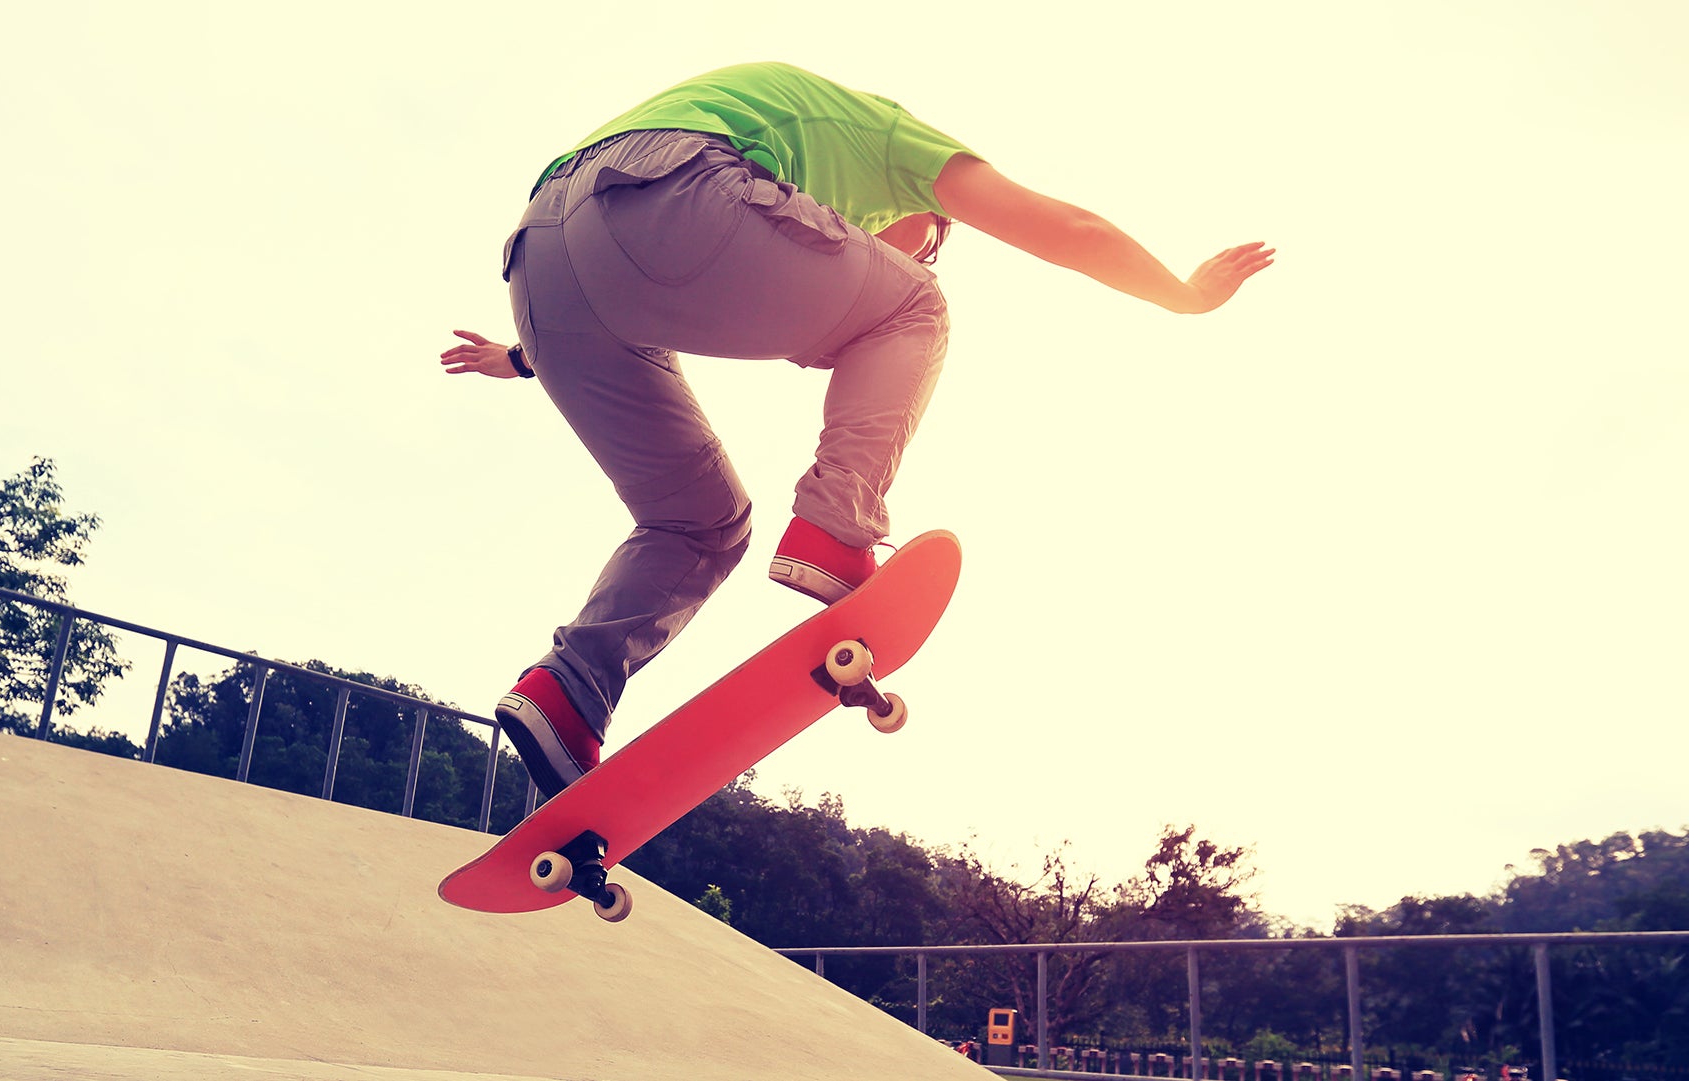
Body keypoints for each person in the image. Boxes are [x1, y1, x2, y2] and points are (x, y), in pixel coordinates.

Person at [441, 62, 1273, 799]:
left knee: (700, 520)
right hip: (675, 189)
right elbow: (1069, 232)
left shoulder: (788, 168)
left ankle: (569, 690)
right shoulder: (896, 144)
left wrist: (522, 358)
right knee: (914, 306)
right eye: (931, 243)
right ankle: (835, 529)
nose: (920, 253)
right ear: (926, 214)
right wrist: (1183, 296)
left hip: (542, 270)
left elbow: (609, 257)